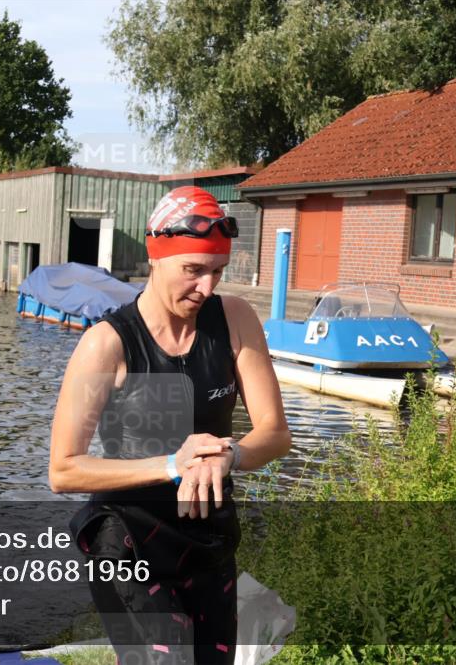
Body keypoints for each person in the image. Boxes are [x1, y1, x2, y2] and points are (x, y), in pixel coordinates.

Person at [49, 186, 292, 665]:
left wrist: (233, 454)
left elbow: (275, 432)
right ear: (155, 256)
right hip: (126, 540)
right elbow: (63, 470)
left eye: (217, 271)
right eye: (193, 270)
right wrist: (170, 465)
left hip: (207, 536)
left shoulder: (236, 319)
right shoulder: (107, 344)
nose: (206, 287)